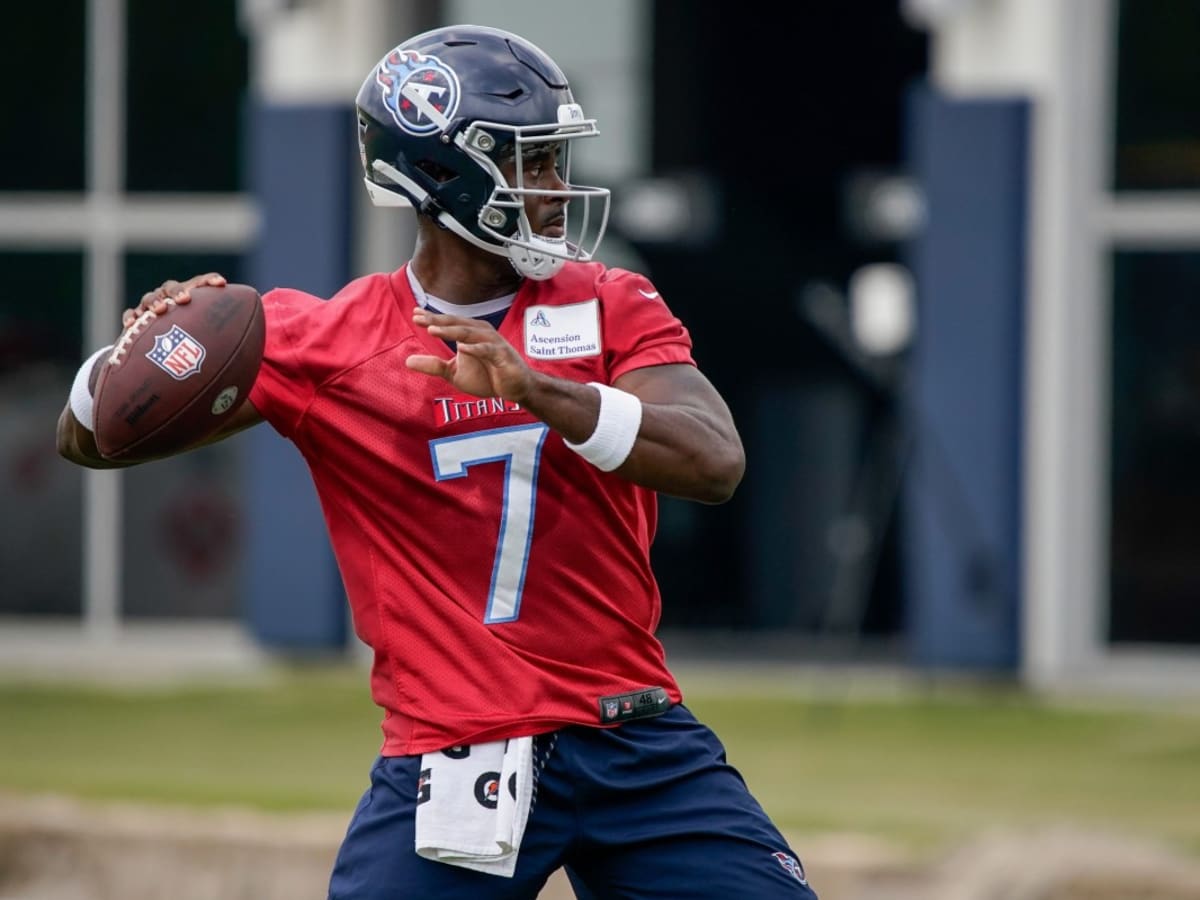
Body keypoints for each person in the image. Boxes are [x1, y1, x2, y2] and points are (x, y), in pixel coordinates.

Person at [57, 23, 817, 900]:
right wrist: (150, 347)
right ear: (450, 176)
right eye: (533, 164)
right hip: (455, 749)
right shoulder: (327, 340)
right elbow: (92, 434)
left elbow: (714, 461)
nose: (556, 188)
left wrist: (540, 392)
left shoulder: (610, 301)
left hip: (635, 738)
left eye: (555, 160)